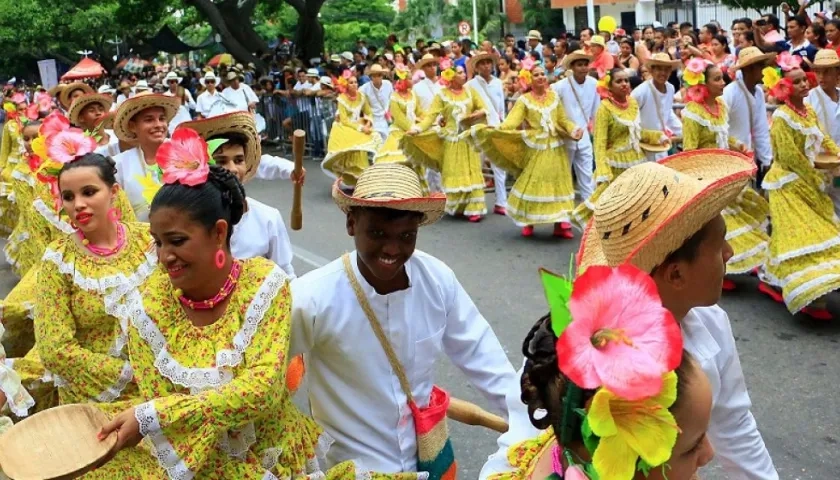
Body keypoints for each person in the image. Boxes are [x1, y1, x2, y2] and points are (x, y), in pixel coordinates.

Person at [482, 150, 779, 479]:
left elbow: (736, 426)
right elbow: (526, 442)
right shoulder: (580, 352)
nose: (730, 253)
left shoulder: (712, 323)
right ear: (676, 275)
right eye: (720, 243)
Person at [89, 129, 327, 478]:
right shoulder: (148, 302)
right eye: (158, 242)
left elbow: (261, 390)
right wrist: (156, 415)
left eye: (177, 241)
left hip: (268, 455)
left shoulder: (264, 284)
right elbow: (160, 397)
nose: (165, 257)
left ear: (218, 232)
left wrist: (157, 414)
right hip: (188, 459)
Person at [290, 163, 517, 473]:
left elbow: (484, 357)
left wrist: (535, 420)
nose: (392, 248)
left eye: (407, 236)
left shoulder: (437, 280)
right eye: (378, 233)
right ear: (351, 224)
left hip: (427, 463)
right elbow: (265, 375)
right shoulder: (311, 297)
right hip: (350, 472)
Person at [0, 147, 153, 418]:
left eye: (89, 192)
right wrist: (130, 374)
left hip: (168, 376)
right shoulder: (58, 262)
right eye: (68, 197)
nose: (78, 204)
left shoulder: (149, 241)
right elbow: (55, 350)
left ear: (114, 193)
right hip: (100, 392)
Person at [179, 111, 303, 277]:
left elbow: (285, 273)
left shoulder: (268, 218)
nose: (232, 169)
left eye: (238, 160)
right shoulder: (187, 220)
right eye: (221, 161)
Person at [681, 60, 769, 289]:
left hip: (724, 172)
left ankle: (734, 264)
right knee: (715, 226)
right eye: (717, 79)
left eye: (722, 78)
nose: (722, 83)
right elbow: (690, 150)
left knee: (739, 214)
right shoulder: (692, 112)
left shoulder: (721, 105)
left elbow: (722, 137)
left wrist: (736, 145)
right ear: (703, 83)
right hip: (706, 177)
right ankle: (719, 271)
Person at [762, 61, 840, 320]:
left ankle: (770, 278)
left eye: (804, 80)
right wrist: (814, 179)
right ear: (785, 88)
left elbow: (822, 136)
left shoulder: (807, 111)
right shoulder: (782, 117)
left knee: (794, 234)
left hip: (805, 180)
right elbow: (790, 158)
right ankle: (808, 293)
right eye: (796, 82)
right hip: (787, 184)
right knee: (803, 236)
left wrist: (837, 155)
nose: (804, 84)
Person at [475, 64, 582, 238]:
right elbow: (511, 122)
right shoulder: (524, 100)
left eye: (542, 74)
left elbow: (562, 120)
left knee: (557, 184)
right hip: (536, 148)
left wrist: (573, 129)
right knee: (534, 183)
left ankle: (561, 223)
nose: (541, 77)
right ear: (530, 80)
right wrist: (497, 129)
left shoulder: (554, 97)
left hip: (556, 147)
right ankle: (529, 221)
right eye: (536, 75)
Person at [572, 68, 669, 227]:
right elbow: (600, 142)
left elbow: (637, 132)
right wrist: (603, 170)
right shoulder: (605, 108)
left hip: (636, 162)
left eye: (626, 80)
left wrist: (657, 136)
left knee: (635, 207)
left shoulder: (633, 103)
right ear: (609, 86)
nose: (624, 84)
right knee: (608, 208)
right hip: (615, 166)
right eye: (619, 81)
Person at [404, 61, 488, 222]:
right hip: (451, 140)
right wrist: (417, 129)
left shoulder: (471, 91)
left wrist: (476, 115)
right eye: (460, 72)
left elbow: (483, 108)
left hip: (468, 140)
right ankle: (458, 206)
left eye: (464, 72)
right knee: (454, 172)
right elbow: (431, 116)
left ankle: (474, 208)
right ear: (451, 76)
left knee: (471, 171)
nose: (464, 75)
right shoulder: (441, 95)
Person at [111, 92, 180, 220]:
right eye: (149, 120)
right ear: (133, 126)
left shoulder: (183, 155)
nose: (158, 125)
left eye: (162, 119)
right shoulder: (119, 165)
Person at [373, 64, 428, 192]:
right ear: (403, 81)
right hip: (400, 132)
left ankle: (414, 190)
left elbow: (419, 111)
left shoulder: (413, 94)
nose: (412, 81)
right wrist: (413, 128)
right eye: (409, 79)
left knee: (415, 162)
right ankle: (396, 189)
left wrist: (426, 121)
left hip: (413, 131)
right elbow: (399, 118)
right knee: (398, 159)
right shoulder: (394, 97)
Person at [466, 52, 508, 216]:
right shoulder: (470, 85)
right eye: (482, 63)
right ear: (476, 67)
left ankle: (501, 201)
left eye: (488, 63)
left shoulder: (498, 83)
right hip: (479, 129)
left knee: (499, 166)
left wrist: (503, 124)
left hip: (495, 127)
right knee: (476, 167)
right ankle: (475, 204)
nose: (486, 66)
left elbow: (501, 108)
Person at [321, 72, 381, 187]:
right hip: (345, 127)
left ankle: (361, 179)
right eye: (351, 82)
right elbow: (344, 120)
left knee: (370, 140)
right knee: (347, 152)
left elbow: (368, 112)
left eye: (355, 82)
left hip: (359, 125)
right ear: (346, 85)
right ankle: (349, 180)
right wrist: (360, 127)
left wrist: (368, 123)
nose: (354, 85)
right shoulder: (342, 99)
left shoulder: (362, 96)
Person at [554, 50, 598, 203]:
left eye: (586, 64)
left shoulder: (594, 84)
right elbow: (554, 113)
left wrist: (596, 133)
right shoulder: (559, 87)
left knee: (587, 176)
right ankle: (563, 212)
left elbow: (596, 112)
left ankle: (589, 213)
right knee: (563, 175)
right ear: (572, 67)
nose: (583, 68)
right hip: (565, 137)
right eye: (579, 65)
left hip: (584, 136)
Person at [724, 47, 776, 174]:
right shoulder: (730, 92)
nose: (764, 71)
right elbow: (719, 126)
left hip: (748, 159)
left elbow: (761, 129)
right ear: (749, 69)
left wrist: (766, 161)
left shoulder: (758, 92)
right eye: (761, 67)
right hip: (728, 159)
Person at [806, 49, 840, 217]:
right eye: (818, 71)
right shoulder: (809, 99)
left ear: (837, 73)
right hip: (819, 167)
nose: (821, 76)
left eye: (826, 71)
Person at [632, 53, 683, 162]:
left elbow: (668, 113)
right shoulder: (640, 92)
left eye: (666, 69)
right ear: (651, 70)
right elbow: (631, 118)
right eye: (659, 69)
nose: (663, 73)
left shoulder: (670, 88)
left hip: (661, 143)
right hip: (642, 145)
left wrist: (683, 132)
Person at [411, 54, 443, 192]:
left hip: (442, 126)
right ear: (423, 68)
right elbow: (414, 110)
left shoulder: (443, 85)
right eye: (428, 65)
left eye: (434, 65)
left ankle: (441, 192)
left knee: (442, 161)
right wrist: (420, 121)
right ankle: (432, 192)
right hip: (426, 127)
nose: (432, 68)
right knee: (429, 162)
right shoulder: (417, 88)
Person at [359, 64, 393, 143]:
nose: (377, 78)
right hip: (372, 121)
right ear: (371, 77)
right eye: (374, 76)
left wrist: (390, 113)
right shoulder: (364, 88)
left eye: (379, 75)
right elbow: (355, 99)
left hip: (386, 120)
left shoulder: (388, 85)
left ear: (382, 76)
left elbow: (392, 101)